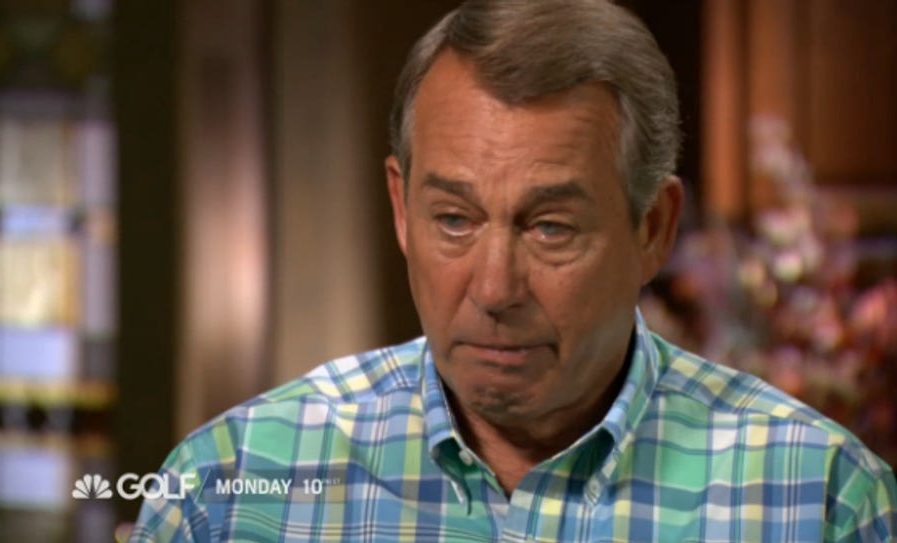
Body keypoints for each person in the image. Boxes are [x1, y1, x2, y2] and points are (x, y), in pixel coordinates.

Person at [129, 0, 897, 541]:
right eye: (454, 220)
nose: (494, 288)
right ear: (401, 208)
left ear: (653, 228)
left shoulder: (818, 498)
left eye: (550, 227)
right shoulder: (227, 489)